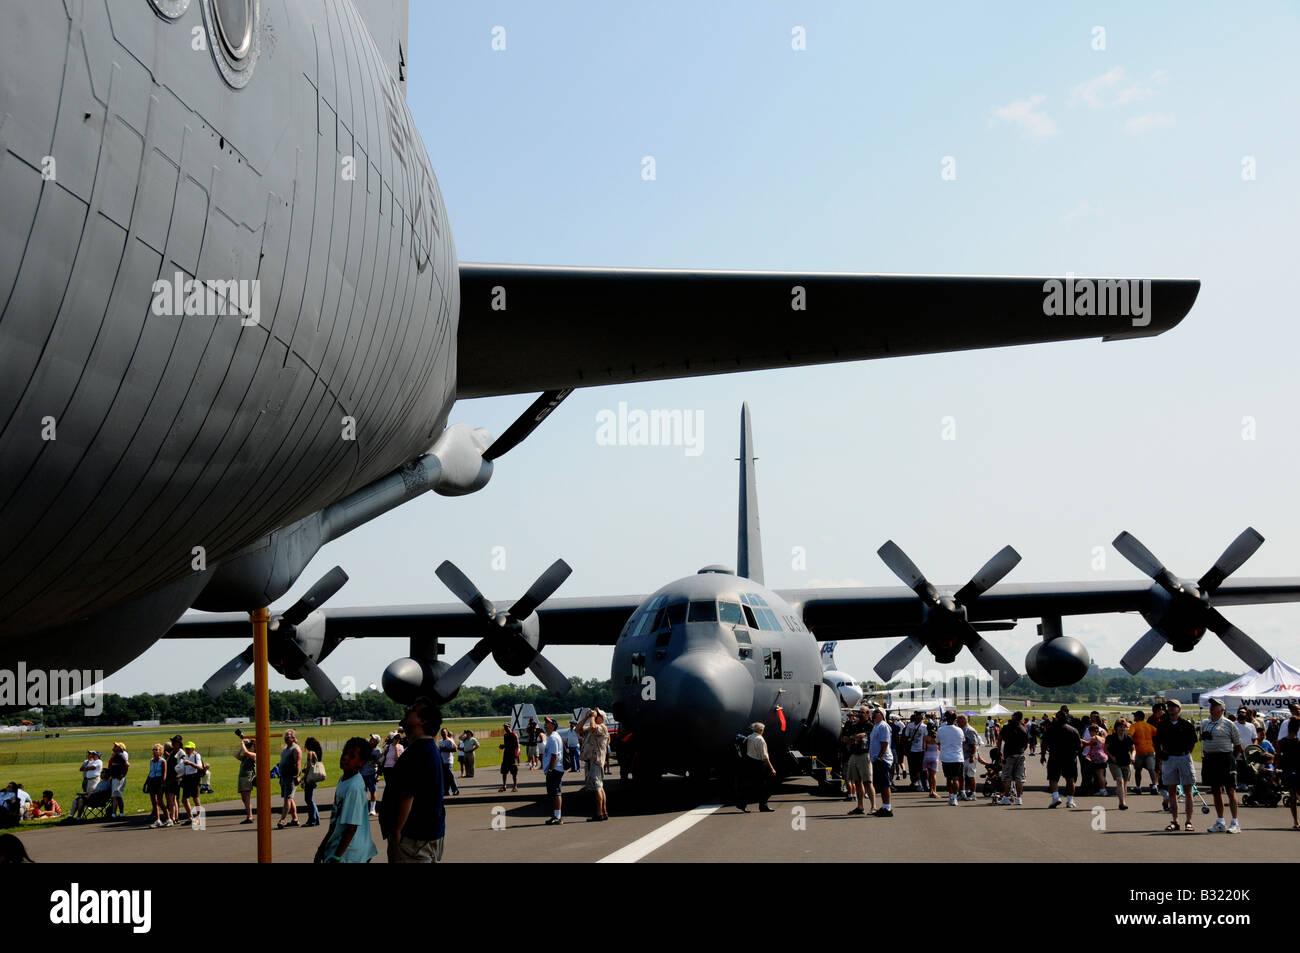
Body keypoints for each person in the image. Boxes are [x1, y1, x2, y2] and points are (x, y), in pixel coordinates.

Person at [379, 697, 446, 862]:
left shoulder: (418, 752)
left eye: (413, 709)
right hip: (425, 835)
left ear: (422, 720)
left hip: (413, 839)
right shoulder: (429, 748)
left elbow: (407, 795)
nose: (407, 711)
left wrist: (396, 830)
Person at [314, 737, 378, 864]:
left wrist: (337, 857)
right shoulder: (343, 779)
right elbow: (336, 821)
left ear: (361, 762)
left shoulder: (354, 787)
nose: (345, 757)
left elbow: (351, 827)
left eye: (352, 756)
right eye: (344, 753)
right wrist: (322, 848)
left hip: (350, 853)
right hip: (342, 849)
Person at [1199, 698, 1243, 833]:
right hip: (1210, 759)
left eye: (1215, 706)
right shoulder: (1205, 723)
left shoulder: (1229, 724)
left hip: (1225, 758)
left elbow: (1238, 746)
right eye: (1211, 705)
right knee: (1216, 791)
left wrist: (1231, 759)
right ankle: (1220, 821)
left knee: (1230, 790)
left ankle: (1235, 822)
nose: (1211, 708)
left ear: (1222, 710)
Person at [1156, 699, 1199, 831]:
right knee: (1172, 790)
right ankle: (1175, 820)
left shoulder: (1187, 725)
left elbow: (1193, 743)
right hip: (1169, 758)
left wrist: (1185, 754)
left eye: (1174, 706)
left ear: (1179, 709)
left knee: (1188, 790)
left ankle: (1188, 821)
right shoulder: (1163, 725)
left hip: (1184, 756)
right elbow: (1157, 742)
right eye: (1169, 706)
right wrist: (1160, 755)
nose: (1171, 708)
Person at [1042, 707, 1081, 809]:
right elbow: (1079, 745)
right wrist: (1075, 754)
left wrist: (1042, 755)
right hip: (1069, 757)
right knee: (1070, 779)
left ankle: (1056, 797)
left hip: (1055, 756)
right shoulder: (1073, 730)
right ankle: (1070, 800)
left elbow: (1044, 743)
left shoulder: (1051, 729)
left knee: (1053, 778)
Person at [577, 707, 611, 821]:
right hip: (592, 761)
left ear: (602, 718)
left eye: (598, 716)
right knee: (600, 787)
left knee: (597, 787)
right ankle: (604, 812)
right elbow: (578, 729)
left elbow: (592, 727)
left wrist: (592, 716)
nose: (595, 717)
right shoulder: (594, 728)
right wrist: (586, 717)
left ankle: (599, 813)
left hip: (596, 760)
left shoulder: (602, 728)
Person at [737, 722, 776, 812]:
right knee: (765, 786)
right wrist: (772, 768)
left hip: (749, 762)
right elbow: (764, 756)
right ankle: (763, 805)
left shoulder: (749, 737)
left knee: (749, 784)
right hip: (759, 764)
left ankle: (742, 804)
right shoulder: (760, 739)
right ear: (761, 730)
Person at [843, 709, 875, 815]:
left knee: (868, 782)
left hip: (865, 754)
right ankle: (860, 806)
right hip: (854, 755)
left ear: (867, 714)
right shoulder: (854, 725)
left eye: (862, 712)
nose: (859, 714)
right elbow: (845, 739)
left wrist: (854, 738)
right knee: (857, 782)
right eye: (859, 712)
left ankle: (873, 806)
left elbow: (863, 736)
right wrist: (855, 738)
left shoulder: (870, 725)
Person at [997, 711, 1029, 805]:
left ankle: (1006, 798)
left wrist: (999, 751)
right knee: (1019, 778)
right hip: (1020, 754)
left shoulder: (1007, 727)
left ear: (1015, 717)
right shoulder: (1023, 728)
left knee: (1007, 778)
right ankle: (1018, 798)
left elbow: (999, 739)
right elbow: (1026, 744)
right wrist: (1022, 750)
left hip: (1009, 755)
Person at [869, 709, 894, 817]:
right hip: (876, 759)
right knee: (882, 784)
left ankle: (887, 808)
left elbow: (885, 743)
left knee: (885, 784)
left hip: (883, 759)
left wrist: (879, 757)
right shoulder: (876, 726)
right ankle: (884, 806)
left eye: (877, 712)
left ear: (882, 715)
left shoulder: (883, 726)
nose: (874, 713)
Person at [937, 711, 965, 806]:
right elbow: (962, 741)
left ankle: (950, 795)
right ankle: (954, 797)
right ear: (955, 719)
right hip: (957, 757)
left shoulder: (941, 730)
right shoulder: (959, 730)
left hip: (946, 757)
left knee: (949, 779)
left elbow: (938, 742)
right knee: (956, 778)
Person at [1106, 719, 1135, 811]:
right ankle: (1122, 803)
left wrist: (1133, 756)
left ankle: (1121, 801)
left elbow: (1133, 749)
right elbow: (1105, 749)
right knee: (1119, 781)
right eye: (1120, 727)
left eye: (1124, 727)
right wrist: (1111, 756)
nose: (1122, 729)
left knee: (1124, 784)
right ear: (1116, 728)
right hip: (1114, 762)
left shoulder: (1128, 738)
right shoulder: (1111, 737)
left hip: (1126, 762)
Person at [542, 717, 566, 824]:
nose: (545, 725)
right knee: (554, 793)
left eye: (547, 723)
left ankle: (557, 817)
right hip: (554, 769)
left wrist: (550, 770)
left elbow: (554, 756)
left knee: (556, 793)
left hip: (555, 769)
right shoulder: (552, 737)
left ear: (553, 725)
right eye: (545, 723)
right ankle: (556, 816)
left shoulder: (553, 738)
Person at [1278, 716, 1300, 830]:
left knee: (1292, 797)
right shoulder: (1299, 742)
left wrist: (1275, 771)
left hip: (1287, 771)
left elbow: (1278, 758)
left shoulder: (1282, 742)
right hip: (1298, 770)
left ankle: (1296, 822)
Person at [278, 730, 302, 829]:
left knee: (287, 799)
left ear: (293, 738)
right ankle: (295, 819)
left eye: (288, 737)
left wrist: (297, 776)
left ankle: (282, 820)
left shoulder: (296, 749)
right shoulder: (285, 749)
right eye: (285, 737)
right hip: (284, 777)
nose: (286, 738)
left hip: (291, 777)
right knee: (289, 798)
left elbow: (298, 763)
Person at [1129, 711, 1156, 795]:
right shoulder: (1149, 726)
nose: (1134, 717)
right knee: (1151, 769)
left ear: (1138, 717)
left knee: (1138, 770)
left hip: (1139, 750)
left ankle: (1138, 787)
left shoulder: (1134, 726)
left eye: (1135, 716)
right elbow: (1157, 734)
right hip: (1150, 750)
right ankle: (1154, 786)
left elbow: (1129, 736)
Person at [179, 741, 205, 825]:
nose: (187, 750)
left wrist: (190, 763)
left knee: (195, 798)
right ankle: (190, 817)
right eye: (186, 748)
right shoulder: (185, 756)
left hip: (195, 778)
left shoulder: (196, 756)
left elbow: (200, 767)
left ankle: (198, 816)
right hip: (187, 778)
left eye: (188, 748)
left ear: (193, 748)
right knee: (184, 799)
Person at [302, 737, 324, 827]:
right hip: (314, 778)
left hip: (310, 778)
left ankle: (312, 820)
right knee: (310, 799)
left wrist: (304, 777)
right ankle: (316, 819)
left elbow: (309, 766)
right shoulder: (318, 752)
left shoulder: (311, 753)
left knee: (308, 799)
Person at [146, 744, 168, 827]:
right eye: (154, 749)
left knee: (160, 801)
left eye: (157, 749)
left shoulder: (163, 761)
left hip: (159, 781)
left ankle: (168, 819)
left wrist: (162, 784)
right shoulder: (151, 761)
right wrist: (147, 781)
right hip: (152, 780)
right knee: (154, 802)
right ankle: (157, 820)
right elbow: (150, 771)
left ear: (160, 752)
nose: (155, 751)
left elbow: (164, 774)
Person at [958, 714, 980, 801]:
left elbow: (974, 745)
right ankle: (962, 793)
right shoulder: (961, 729)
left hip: (969, 756)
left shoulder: (970, 730)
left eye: (958, 721)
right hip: (962, 756)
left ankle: (973, 793)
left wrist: (972, 756)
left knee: (971, 775)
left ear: (964, 721)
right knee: (961, 776)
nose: (957, 723)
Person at [104, 743, 129, 819]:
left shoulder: (120, 755)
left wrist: (123, 774)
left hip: (118, 778)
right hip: (115, 778)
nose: (114, 747)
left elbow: (127, 764)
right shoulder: (115, 755)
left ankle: (114, 814)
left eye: (116, 746)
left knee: (116, 796)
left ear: (119, 748)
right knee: (117, 796)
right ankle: (119, 813)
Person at [902, 713, 926, 791]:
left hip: (920, 750)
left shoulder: (924, 727)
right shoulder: (910, 725)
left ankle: (920, 783)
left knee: (920, 768)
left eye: (920, 718)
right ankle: (916, 782)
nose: (919, 720)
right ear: (915, 718)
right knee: (913, 768)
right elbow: (906, 736)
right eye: (917, 718)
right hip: (912, 750)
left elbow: (925, 738)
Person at [235, 735, 257, 824]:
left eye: (250, 746)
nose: (248, 747)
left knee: (246, 797)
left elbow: (245, 752)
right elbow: (236, 755)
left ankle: (250, 816)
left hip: (247, 777)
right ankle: (249, 815)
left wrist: (242, 743)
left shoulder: (254, 755)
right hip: (242, 777)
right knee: (244, 798)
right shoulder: (246, 757)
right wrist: (243, 745)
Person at [1083, 725, 1109, 796]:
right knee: (1101, 775)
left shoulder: (1094, 737)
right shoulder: (1102, 738)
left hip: (1097, 757)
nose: (1090, 733)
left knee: (1099, 775)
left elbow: (1087, 743)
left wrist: (1080, 739)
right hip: (1103, 756)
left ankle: (1103, 790)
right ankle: (1102, 789)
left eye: (1090, 732)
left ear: (1092, 731)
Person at [360, 734, 381, 817]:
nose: (370, 740)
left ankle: (372, 809)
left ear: (376, 742)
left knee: (372, 791)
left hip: (372, 774)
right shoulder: (365, 749)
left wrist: (379, 775)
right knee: (362, 792)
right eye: (371, 738)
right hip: (362, 773)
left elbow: (380, 764)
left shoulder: (378, 751)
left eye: (373, 739)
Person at [437, 728, 460, 797]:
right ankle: (446, 791)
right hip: (442, 761)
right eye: (442, 732)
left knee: (450, 776)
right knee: (445, 777)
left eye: (444, 732)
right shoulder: (440, 741)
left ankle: (455, 789)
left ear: (447, 733)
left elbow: (455, 749)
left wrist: (446, 749)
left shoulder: (449, 741)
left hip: (448, 761)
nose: (443, 733)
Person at [498, 722, 520, 793]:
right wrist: (503, 746)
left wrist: (516, 756)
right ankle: (504, 786)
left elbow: (517, 745)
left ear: (510, 727)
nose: (505, 728)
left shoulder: (514, 734)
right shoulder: (505, 735)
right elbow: (507, 745)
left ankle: (515, 786)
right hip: (506, 755)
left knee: (514, 772)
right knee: (504, 771)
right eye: (504, 727)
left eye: (507, 727)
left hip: (513, 756)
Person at [922, 727, 940, 797]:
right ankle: (934, 791)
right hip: (934, 757)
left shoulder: (925, 738)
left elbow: (923, 747)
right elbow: (940, 748)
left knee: (929, 775)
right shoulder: (937, 739)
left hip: (926, 757)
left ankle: (930, 791)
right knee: (934, 775)